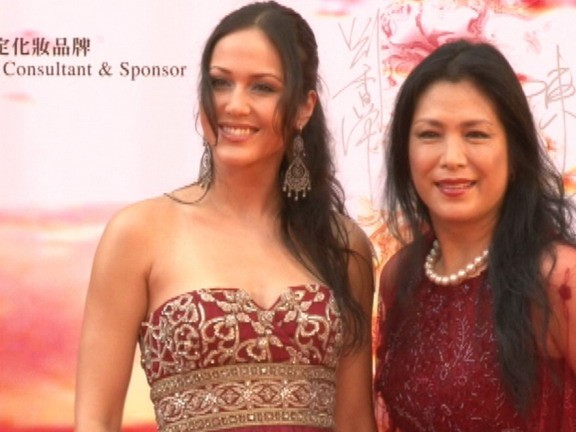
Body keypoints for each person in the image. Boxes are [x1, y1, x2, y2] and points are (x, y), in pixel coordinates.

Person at [74, 2, 377, 432]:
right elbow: (96, 420)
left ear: (304, 107)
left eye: (262, 87)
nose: (234, 104)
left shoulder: (342, 247)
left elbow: (354, 422)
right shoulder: (139, 233)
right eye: (220, 83)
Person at [374, 39, 576, 431]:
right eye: (430, 135)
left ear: (515, 153)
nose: (452, 158)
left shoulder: (557, 279)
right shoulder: (400, 277)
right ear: (404, 152)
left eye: (476, 135)